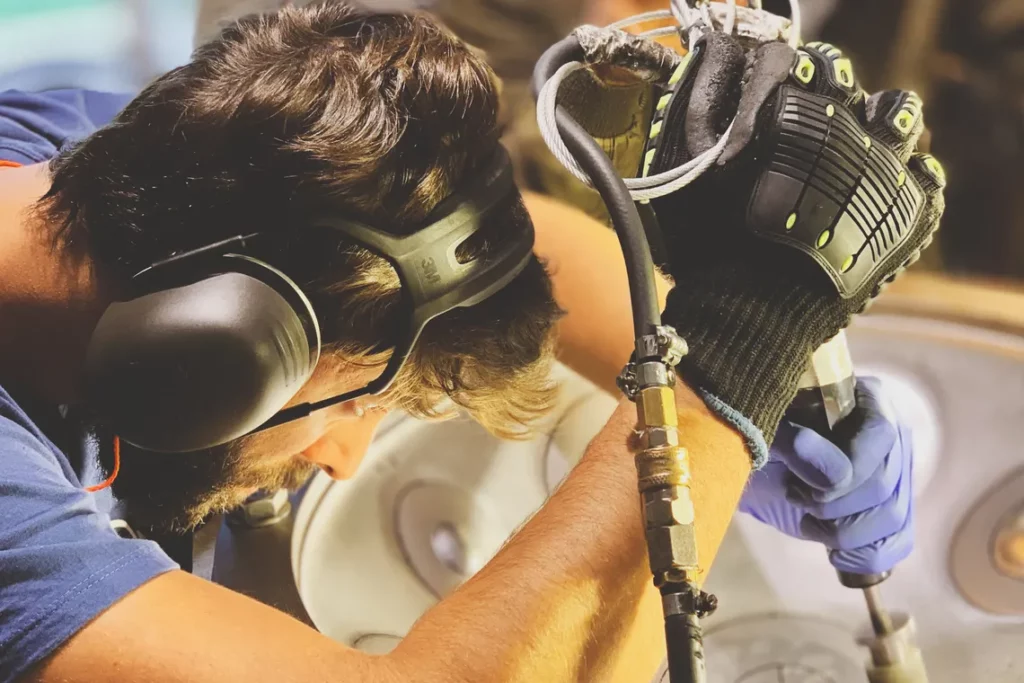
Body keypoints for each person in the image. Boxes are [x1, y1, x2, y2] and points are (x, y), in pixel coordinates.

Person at [0, 3, 934, 682]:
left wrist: (727, 373)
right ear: (220, 342)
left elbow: (480, 228)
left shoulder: (95, 163)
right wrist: (733, 375)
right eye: (359, 398)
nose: (343, 455)